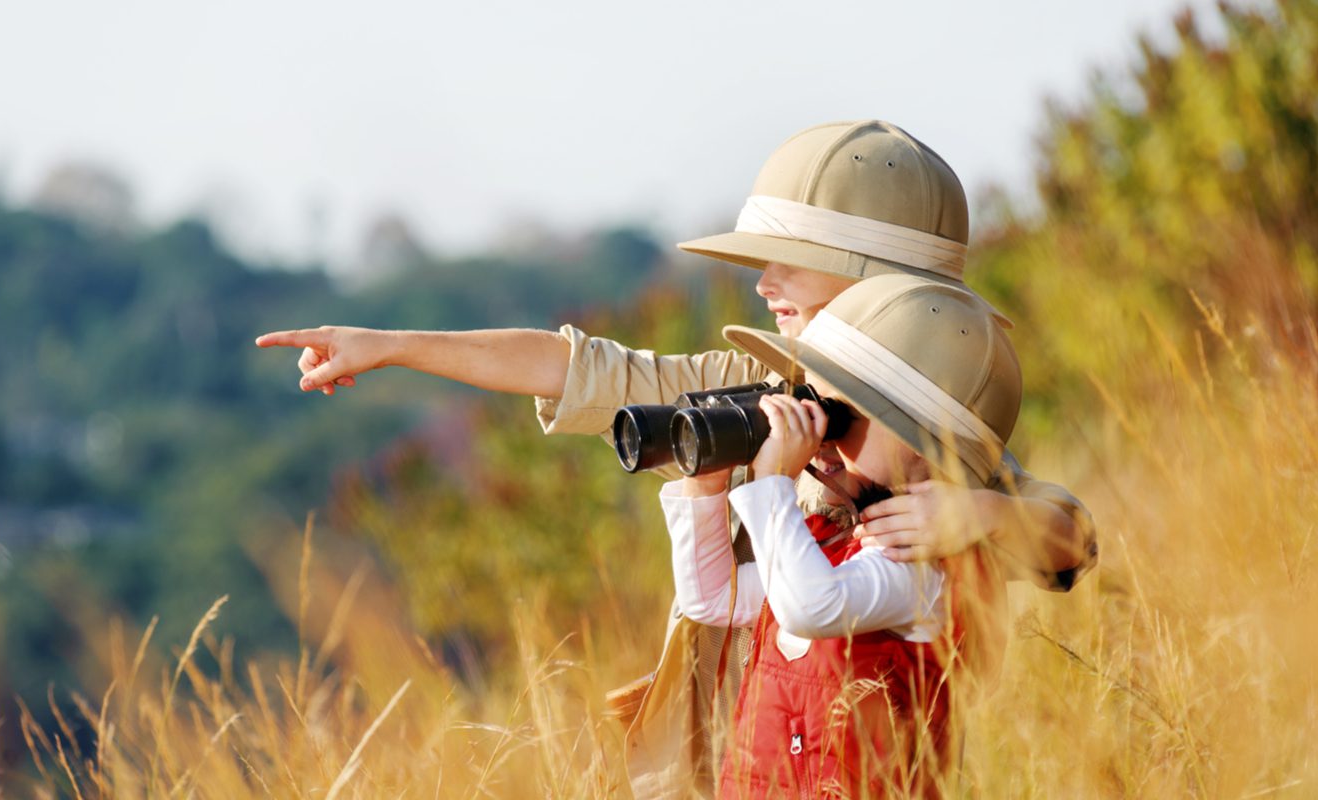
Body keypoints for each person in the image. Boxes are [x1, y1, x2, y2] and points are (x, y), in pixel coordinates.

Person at [256, 120, 1097, 796]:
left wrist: (983, 513)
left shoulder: (923, 434)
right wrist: (393, 345)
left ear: (881, 282)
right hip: (719, 759)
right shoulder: (751, 383)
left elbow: (1071, 542)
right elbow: (575, 367)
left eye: (791, 265)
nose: (764, 284)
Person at [663, 272, 1018, 796]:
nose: (821, 436)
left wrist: (773, 481)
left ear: (924, 444)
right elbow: (714, 598)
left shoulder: (918, 563)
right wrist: (706, 486)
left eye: (840, 417)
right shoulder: (829, 542)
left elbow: (812, 606)